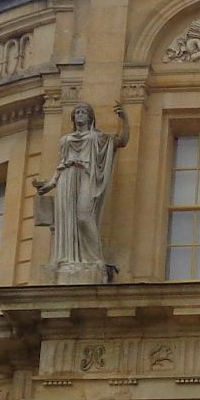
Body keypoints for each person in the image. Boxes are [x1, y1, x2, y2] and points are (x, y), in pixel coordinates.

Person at [40, 102, 128, 273]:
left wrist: (124, 119)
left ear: (90, 117)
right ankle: (69, 259)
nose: (80, 115)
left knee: (83, 216)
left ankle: (95, 259)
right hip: (67, 178)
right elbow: (61, 165)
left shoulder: (96, 137)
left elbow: (122, 140)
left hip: (86, 175)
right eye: (77, 112)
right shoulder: (65, 140)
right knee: (68, 219)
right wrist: (50, 184)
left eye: (83, 112)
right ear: (73, 117)